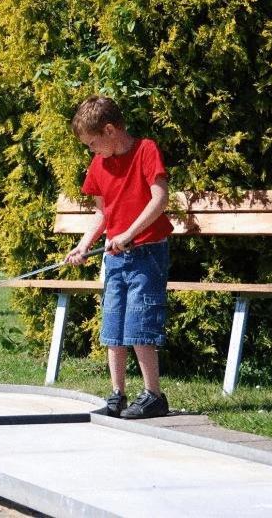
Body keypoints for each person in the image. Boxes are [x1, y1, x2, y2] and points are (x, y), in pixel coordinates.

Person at [65, 95, 173, 419]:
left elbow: (160, 199)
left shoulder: (145, 151)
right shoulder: (100, 164)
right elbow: (102, 214)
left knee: (139, 324)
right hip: (115, 258)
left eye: (93, 142)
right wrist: (84, 244)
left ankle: (154, 395)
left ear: (111, 130)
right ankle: (117, 394)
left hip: (147, 254)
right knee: (113, 325)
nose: (91, 150)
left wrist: (129, 234)